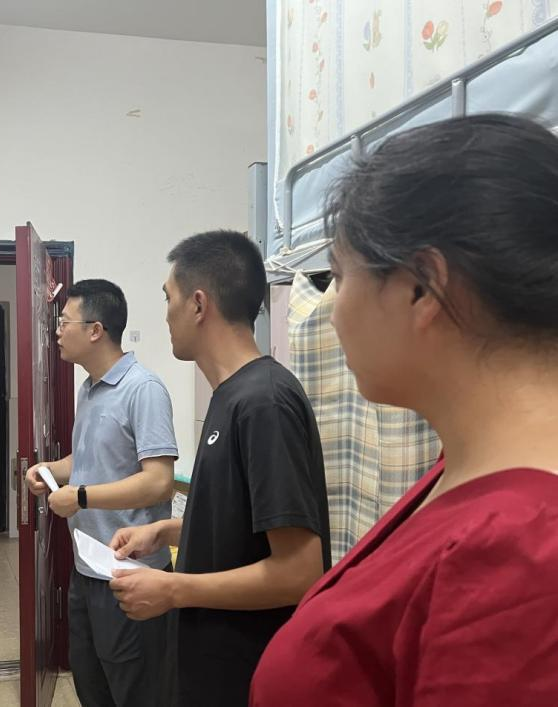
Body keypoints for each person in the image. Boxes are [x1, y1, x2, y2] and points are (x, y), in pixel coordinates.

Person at [250, 114, 558, 706]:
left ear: (421, 286)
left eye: (339, 276)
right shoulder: (463, 469)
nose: (332, 312)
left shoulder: (521, 552)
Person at [109, 231, 331, 705]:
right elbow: (245, 530)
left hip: (245, 674)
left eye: (168, 297)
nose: (165, 314)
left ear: (198, 304)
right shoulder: (231, 395)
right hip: (207, 666)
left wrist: (173, 590)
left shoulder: (264, 402)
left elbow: (300, 571)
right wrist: (167, 531)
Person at [25, 279, 178, 707]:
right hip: (87, 568)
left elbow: (158, 481)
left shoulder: (143, 390)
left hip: (131, 573)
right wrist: (49, 470)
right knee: (92, 683)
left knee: (136, 689)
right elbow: (88, 458)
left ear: (96, 330)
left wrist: (81, 497)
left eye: (65, 322)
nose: (57, 331)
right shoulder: (89, 389)